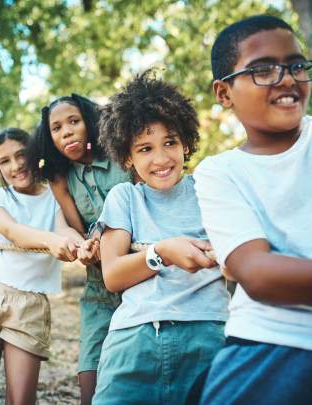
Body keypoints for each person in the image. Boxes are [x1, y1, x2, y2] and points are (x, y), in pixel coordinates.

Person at [193, 15, 312, 405]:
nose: (287, 79)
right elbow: (257, 274)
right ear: (224, 93)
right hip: (272, 341)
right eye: (263, 69)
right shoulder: (220, 172)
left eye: (296, 65)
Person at [91, 73, 230, 405]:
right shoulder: (124, 198)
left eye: (170, 142)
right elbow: (112, 275)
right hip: (135, 337)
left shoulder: (209, 190)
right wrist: (162, 252)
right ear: (128, 157)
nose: (161, 158)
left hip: (207, 333)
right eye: (145, 148)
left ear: (185, 142)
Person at [0, 128, 83, 405]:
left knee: (21, 400)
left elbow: (64, 230)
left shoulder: (55, 199)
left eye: (22, 155)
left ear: (36, 155)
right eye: (5, 161)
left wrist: (79, 243)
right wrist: (50, 240)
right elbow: (12, 231)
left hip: (29, 305)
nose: (16, 165)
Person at [29, 94, 132, 404]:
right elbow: (76, 226)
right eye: (57, 128)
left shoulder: (121, 155)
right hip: (98, 283)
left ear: (90, 122)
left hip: (137, 271)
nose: (67, 132)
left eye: (74, 122)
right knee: (89, 366)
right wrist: (86, 244)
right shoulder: (59, 177)